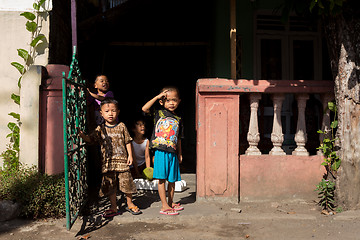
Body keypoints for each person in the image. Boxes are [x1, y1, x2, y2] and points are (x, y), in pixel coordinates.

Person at [79, 98, 142, 217]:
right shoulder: (100, 129)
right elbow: (90, 139)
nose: (110, 113)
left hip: (123, 161)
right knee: (110, 185)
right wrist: (82, 135)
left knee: (127, 183)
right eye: (107, 111)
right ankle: (113, 206)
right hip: (108, 163)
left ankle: (130, 203)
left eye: (113, 110)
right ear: (101, 113)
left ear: (118, 112)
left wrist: (130, 156)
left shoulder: (122, 126)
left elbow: (127, 141)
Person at [142, 86, 184, 215]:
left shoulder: (178, 119)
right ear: (162, 102)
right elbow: (144, 109)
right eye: (168, 100)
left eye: (174, 100)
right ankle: (164, 205)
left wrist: (180, 153)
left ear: (179, 101)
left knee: (172, 180)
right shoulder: (158, 113)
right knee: (161, 179)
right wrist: (156, 97)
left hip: (173, 152)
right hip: (160, 151)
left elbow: (179, 138)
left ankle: (171, 203)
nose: (171, 103)